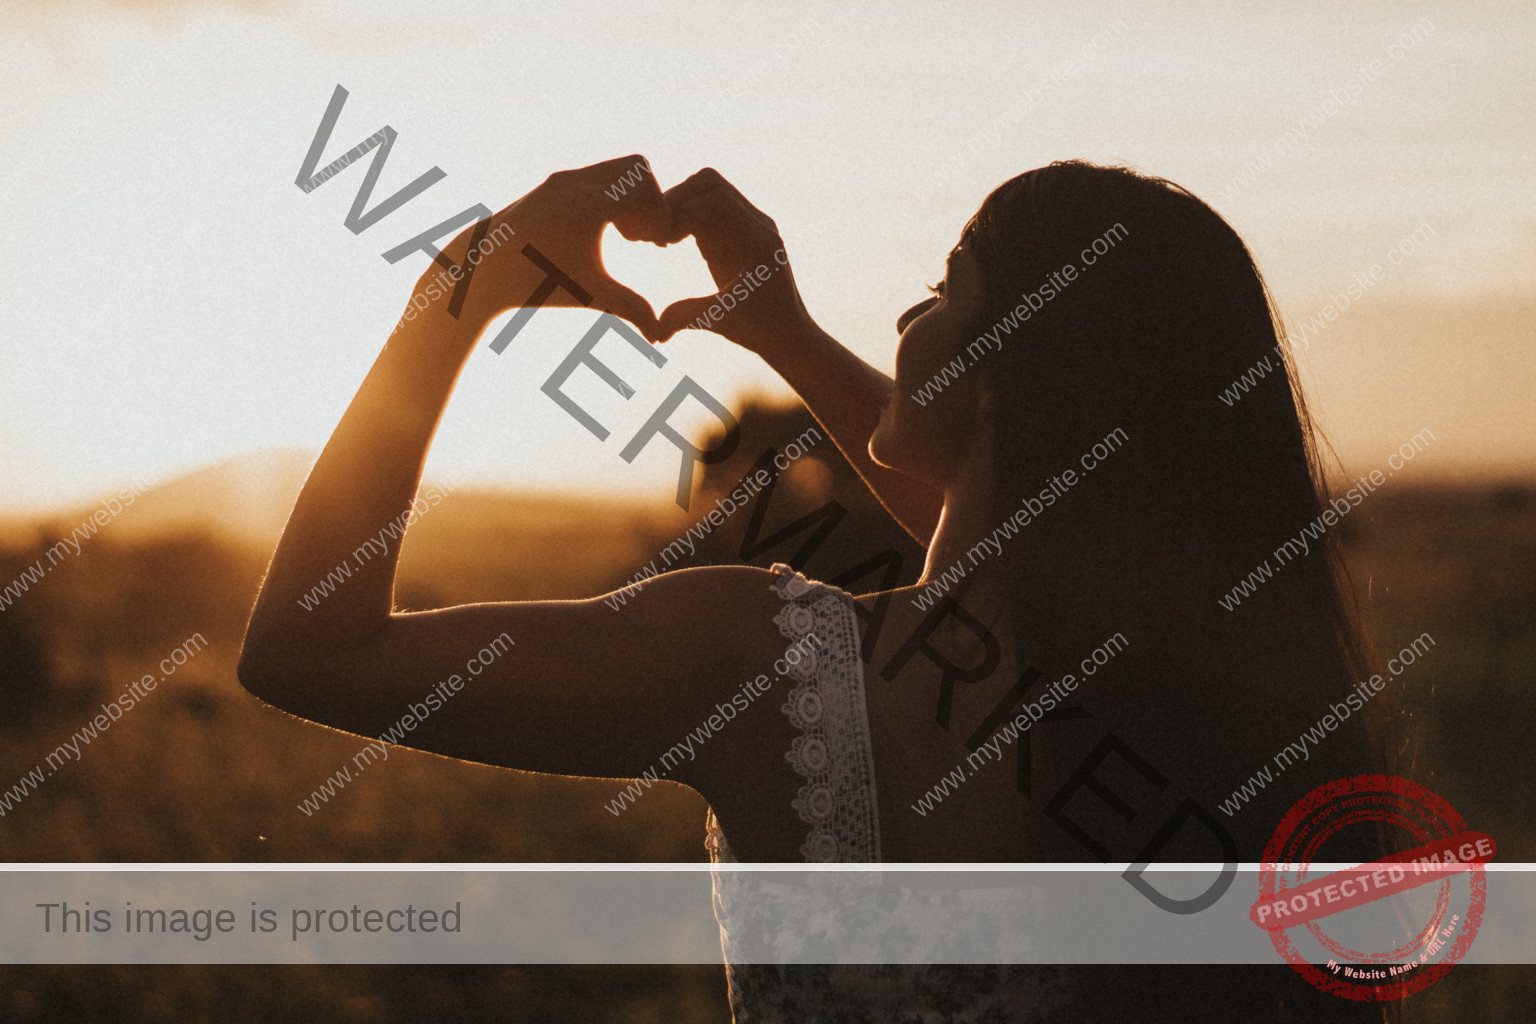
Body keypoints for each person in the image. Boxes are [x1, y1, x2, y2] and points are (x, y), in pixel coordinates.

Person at [239, 156, 1399, 1021]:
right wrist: (785, 333)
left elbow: (309, 648)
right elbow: (1009, 555)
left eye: (948, 285)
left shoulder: (757, 663)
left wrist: (462, 287)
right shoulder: (1203, 725)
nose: (906, 316)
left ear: (1009, 376)